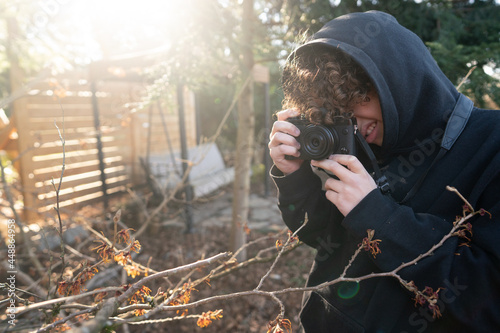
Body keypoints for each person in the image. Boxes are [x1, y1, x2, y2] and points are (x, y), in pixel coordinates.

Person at [268, 11, 500, 333]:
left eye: (359, 98)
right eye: (337, 110)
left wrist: (378, 217)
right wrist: (294, 177)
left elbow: (487, 299)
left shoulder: (492, 145)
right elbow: (323, 238)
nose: (355, 123)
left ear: (400, 79)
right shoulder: (366, 144)